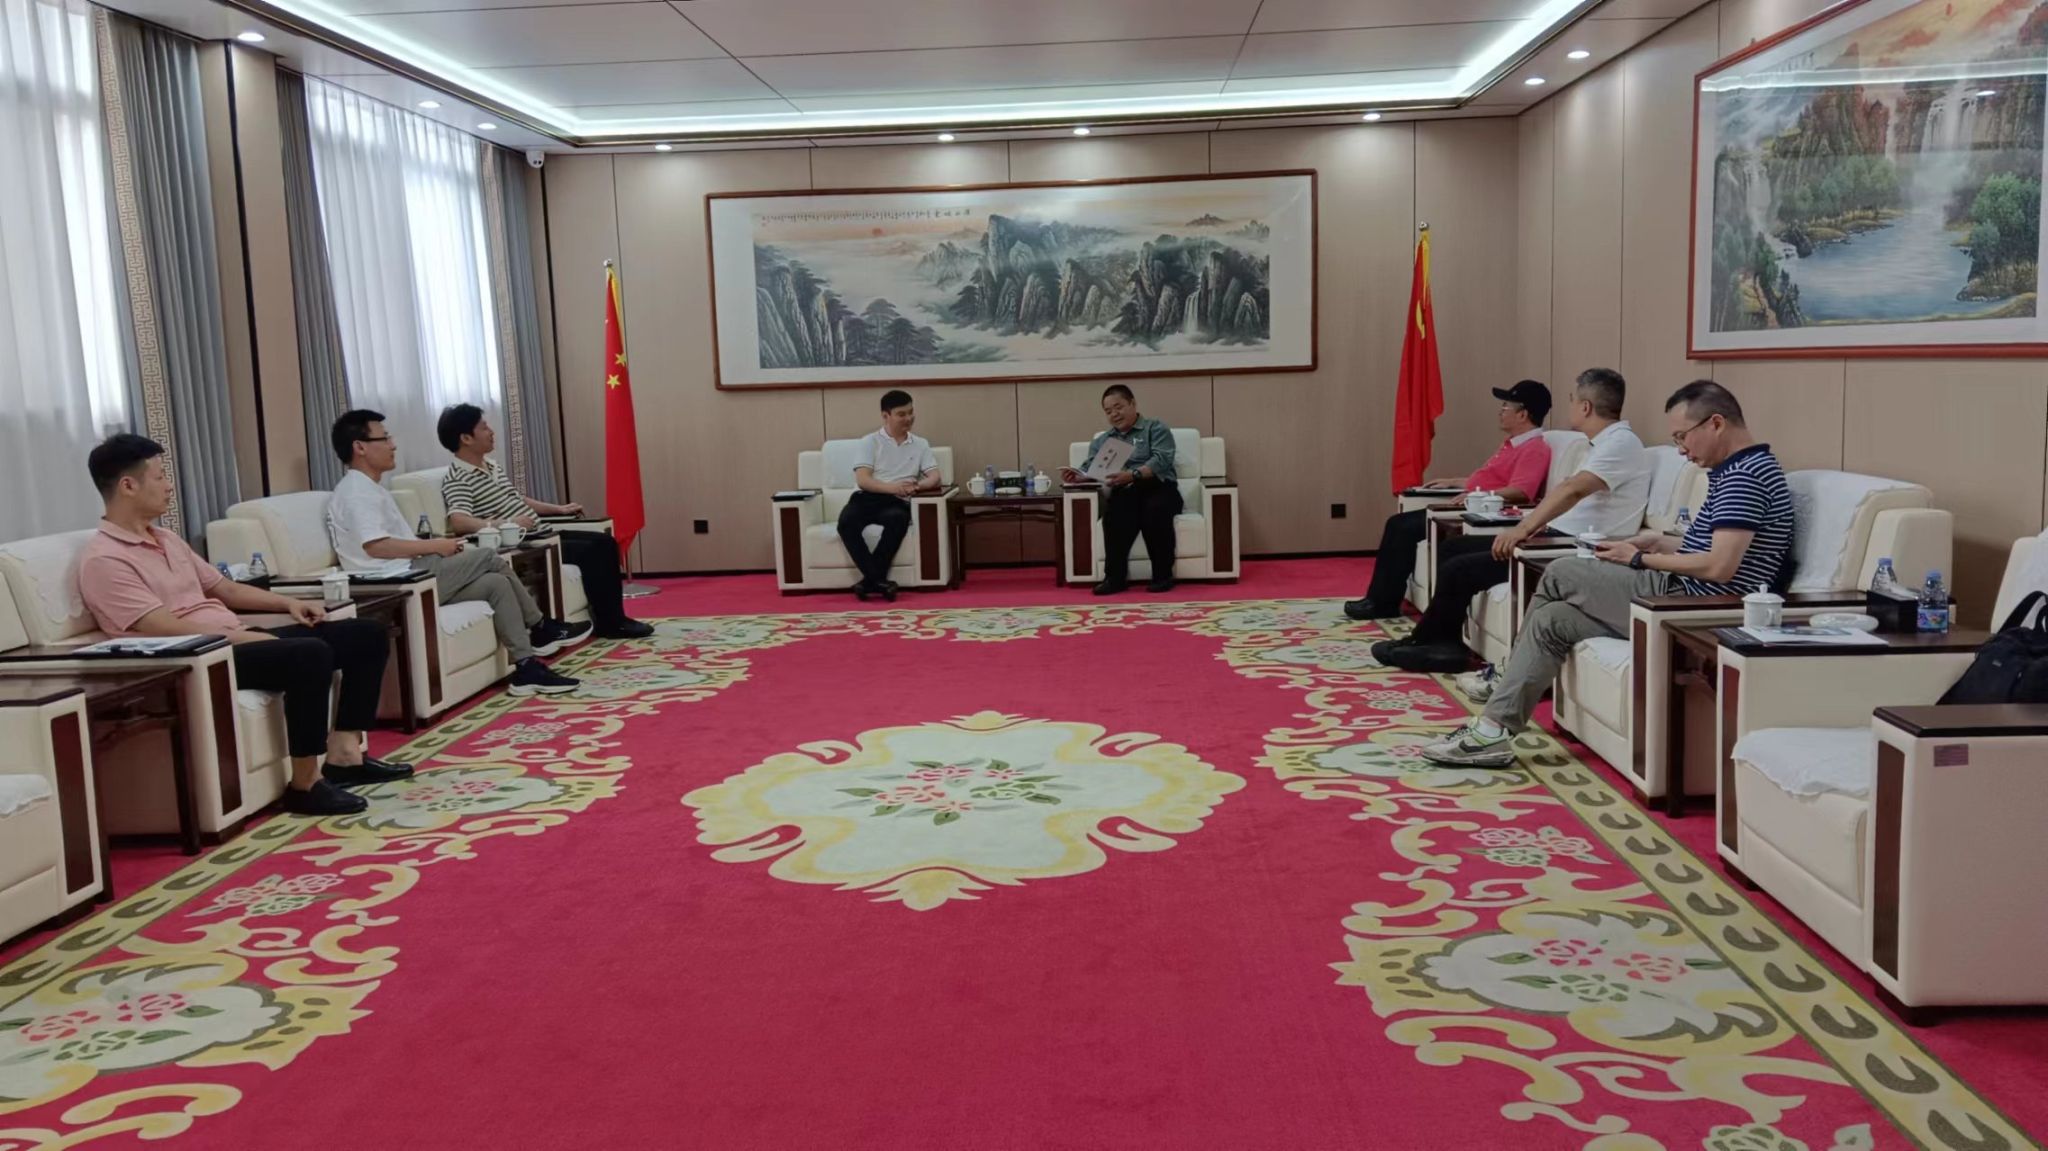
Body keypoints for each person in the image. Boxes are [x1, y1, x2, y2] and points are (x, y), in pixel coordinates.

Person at [1418, 380, 1794, 768]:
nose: (1682, 450)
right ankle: (1494, 731)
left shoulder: (1745, 476)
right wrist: (1660, 542)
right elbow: (1715, 549)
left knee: (1561, 571)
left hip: (1690, 603)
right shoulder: (1737, 470)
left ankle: (1505, 679)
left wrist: (1639, 559)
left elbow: (1719, 566)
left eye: (1683, 437)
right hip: (1681, 590)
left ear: (1715, 423)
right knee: (1551, 620)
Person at [77, 434, 413, 817]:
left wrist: (289, 604)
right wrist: (244, 636)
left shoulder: (165, 538)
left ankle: (345, 756)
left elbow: (224, 588)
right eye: (159, 477)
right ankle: (305, 784)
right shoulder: (105, 559)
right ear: (128, 485)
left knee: (365, 634)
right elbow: (162, 626)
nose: (169, 486)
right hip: (199, 658)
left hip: (236, 638)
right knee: (309, 654)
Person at [1376, 368, 1654, 675]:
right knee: (1454, 548)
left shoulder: (1621, 444)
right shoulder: (1601, 443)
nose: (1571, 406)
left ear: (1586, 407)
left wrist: (1522, 529)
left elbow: (1572, 490)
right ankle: (1433, 639)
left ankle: (1440, 647)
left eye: (1573, 400)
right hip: (1556, 535)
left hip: (1573, 547)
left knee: (1461, 567)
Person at [326, 410, 587, 696]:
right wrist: (436, 546)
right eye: (385, 438)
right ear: (360, 447)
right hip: (399, 581)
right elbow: (376, 546)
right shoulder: (356, 492)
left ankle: (525, 668)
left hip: (414, 572)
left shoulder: (370, 488)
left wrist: (436, 546)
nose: (393, 444)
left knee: (496, 584)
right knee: (487, 556)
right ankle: (541, 626)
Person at [435, 404, 653, 640]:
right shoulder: (458, 478)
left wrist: (558, 509)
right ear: (466, 438)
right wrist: (509, 523)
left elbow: (517, 498)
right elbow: (459, 521)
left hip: (542, 531)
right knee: (594, 549)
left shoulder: (491, 466)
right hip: (525, 543)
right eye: (484, 427)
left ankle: (615, 619)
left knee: (605, 542)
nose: (491, 432)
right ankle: (611, 623)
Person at [1346, 379, 1554, 621]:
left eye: (1505, 406)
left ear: (1523, 414)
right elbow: (1492, 479)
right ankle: (1379, 599)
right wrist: (1455, 481)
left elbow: (1520, 491)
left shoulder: (1534, 448)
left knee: (1402, 527)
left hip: (1482, 511)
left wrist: (1479, 495)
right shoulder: (1513, 444)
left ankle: (1383, 603)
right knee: (1397, 523)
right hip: (1471, 502)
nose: (1500, 411)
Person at [1060, 384, 1181, 595]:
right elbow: (1092, 468)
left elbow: (1162, 460)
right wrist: (1078, 476)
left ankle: (1162, 576)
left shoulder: (1155, 428)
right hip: (1125, 491)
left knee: (1155, 511)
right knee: (1113, 515)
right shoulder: (1103, 441)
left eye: (1118, 407)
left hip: (1159, 487)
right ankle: (1114, 578)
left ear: (1132, 403)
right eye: (1108, 411)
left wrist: (1133, 475)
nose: (1114, 414)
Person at [838, 389, 942, 602]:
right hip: (868, 497)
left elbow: (935, 477)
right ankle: (879, 581)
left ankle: (869, 582)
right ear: (885, 416)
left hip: (897, 502)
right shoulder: (870, 441)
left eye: (911, 412)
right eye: (901, 414)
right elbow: (863, 479)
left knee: (897, 519)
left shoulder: (920, 444)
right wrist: (893, 487)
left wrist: (917, 486)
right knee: (846, 522)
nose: (908, 418)